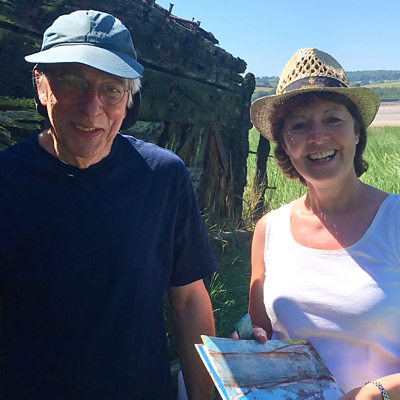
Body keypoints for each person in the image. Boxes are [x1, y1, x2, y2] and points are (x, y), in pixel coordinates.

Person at [0, 9, 218, 400]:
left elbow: (188, 300)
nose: (92, 107)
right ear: (41, 86)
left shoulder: (162, 177)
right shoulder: (7, 181)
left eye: (111, 89)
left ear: (129, 100)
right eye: (72, 82)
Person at [248, 48, 400, 399]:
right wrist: (247, 351)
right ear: (285, 145)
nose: (317, 137)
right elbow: (262, 335)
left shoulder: (394, 221)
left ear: (357, 132)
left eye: (333, 119)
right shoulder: (269, 230)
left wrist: (377, 392)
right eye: (299, 126)